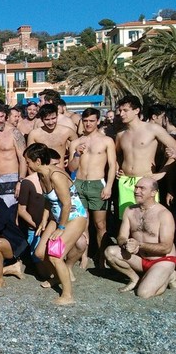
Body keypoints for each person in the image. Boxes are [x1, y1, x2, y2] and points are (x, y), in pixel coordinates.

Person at [25, 143, 88, 305]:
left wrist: (61, 228)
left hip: (74, 217)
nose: (26, 165)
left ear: (37, 161)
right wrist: (44, 221)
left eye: (28, 161)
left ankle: (68, 295)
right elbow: (49, 200)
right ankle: (58, 278)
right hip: (57, 216)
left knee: (55, 254)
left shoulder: (56, 175)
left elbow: (66, 204)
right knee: (39, 253)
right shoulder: (41, 174)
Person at [104, 177, 176, 298]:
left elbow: (166, 248)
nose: (136, 191)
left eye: (142, 188)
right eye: (136, 187)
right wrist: (125, 244)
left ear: (153, 193)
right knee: (110, 252)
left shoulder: (164, 214)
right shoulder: (130, 210)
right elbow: (121, 236)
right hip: (141, 259)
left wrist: (139, 245)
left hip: (162, 260)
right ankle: (134, 278)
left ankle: (169, 275)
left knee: (143, 293)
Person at [67, 108, 117, 267]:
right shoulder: (76, 142)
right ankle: (83, 256)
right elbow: (72, 168)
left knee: (100, 224)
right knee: (82, 222)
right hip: (79, 184)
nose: (88, 124)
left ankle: (102, 257)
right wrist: (76, 154)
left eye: (92, 121)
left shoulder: (106, 141)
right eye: (85, 121)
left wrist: (108, 186)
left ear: (97, 121)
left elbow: (112, 166)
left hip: (97, 183)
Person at [115, 95, 176, 218]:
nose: (121, 114)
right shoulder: (121, 134)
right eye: (120, 110)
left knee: (149, 220)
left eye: (125, 110)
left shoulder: (153, 129)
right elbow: (117, 155)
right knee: (128, 219)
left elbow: (175, 148)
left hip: (146, 180)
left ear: (137, 111)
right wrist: (117, 169)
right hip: (125, 181)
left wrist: (163, 172)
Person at [0, 103, 26, 206]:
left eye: (2, 116)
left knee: (9, 215)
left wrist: (21, 181)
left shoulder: (14, 133)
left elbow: (23, 159)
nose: (0, 120)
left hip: (11, 178)